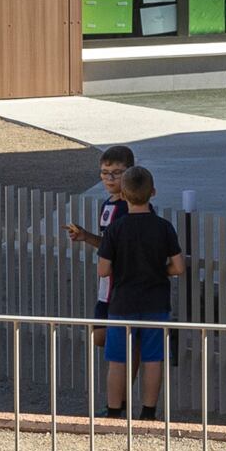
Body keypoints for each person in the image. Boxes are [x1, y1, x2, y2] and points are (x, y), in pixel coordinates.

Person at [96, 165, 183, 416]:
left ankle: (114, 411)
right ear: (152, 192)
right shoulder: (164, 227)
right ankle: (148, 411)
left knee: (118, 359)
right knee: (153, 358)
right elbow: (178, 266)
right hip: (156, 301)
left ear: (122, 194)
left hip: (122, 302)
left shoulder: (116, 229)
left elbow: (103, 270)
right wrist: (158, 270)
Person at [63, 145, 137, 309]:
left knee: (104, 333)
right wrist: (85, 236)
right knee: (100, 332)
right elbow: (108, 243)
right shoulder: (107, 205)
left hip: (123, 287)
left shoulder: (131, 207)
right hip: (107, 286)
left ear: (130, 173)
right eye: (105, 172)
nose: (110, 178)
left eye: (117, 173)